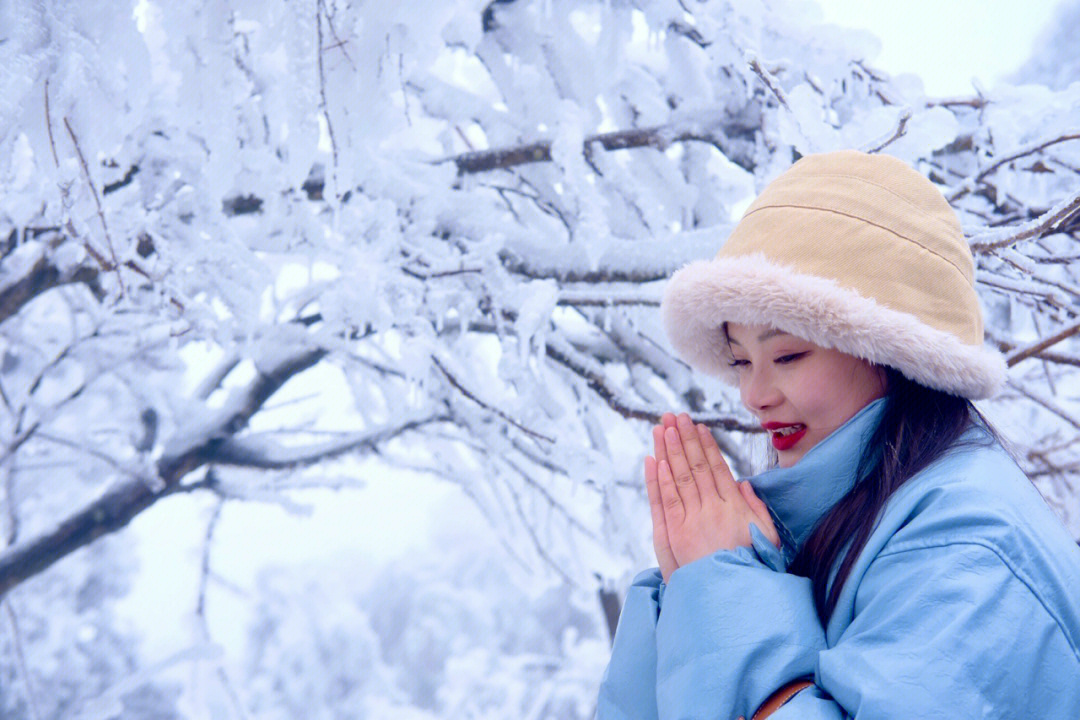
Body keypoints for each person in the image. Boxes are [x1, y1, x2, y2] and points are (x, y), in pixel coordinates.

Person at [596, 150, 1080, 719]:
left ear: (892, 353)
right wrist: (689, 590)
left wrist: (722, 594)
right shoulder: (812, 527)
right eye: (740, 361)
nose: (755, 395)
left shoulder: (969, 545)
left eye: (789, 354)